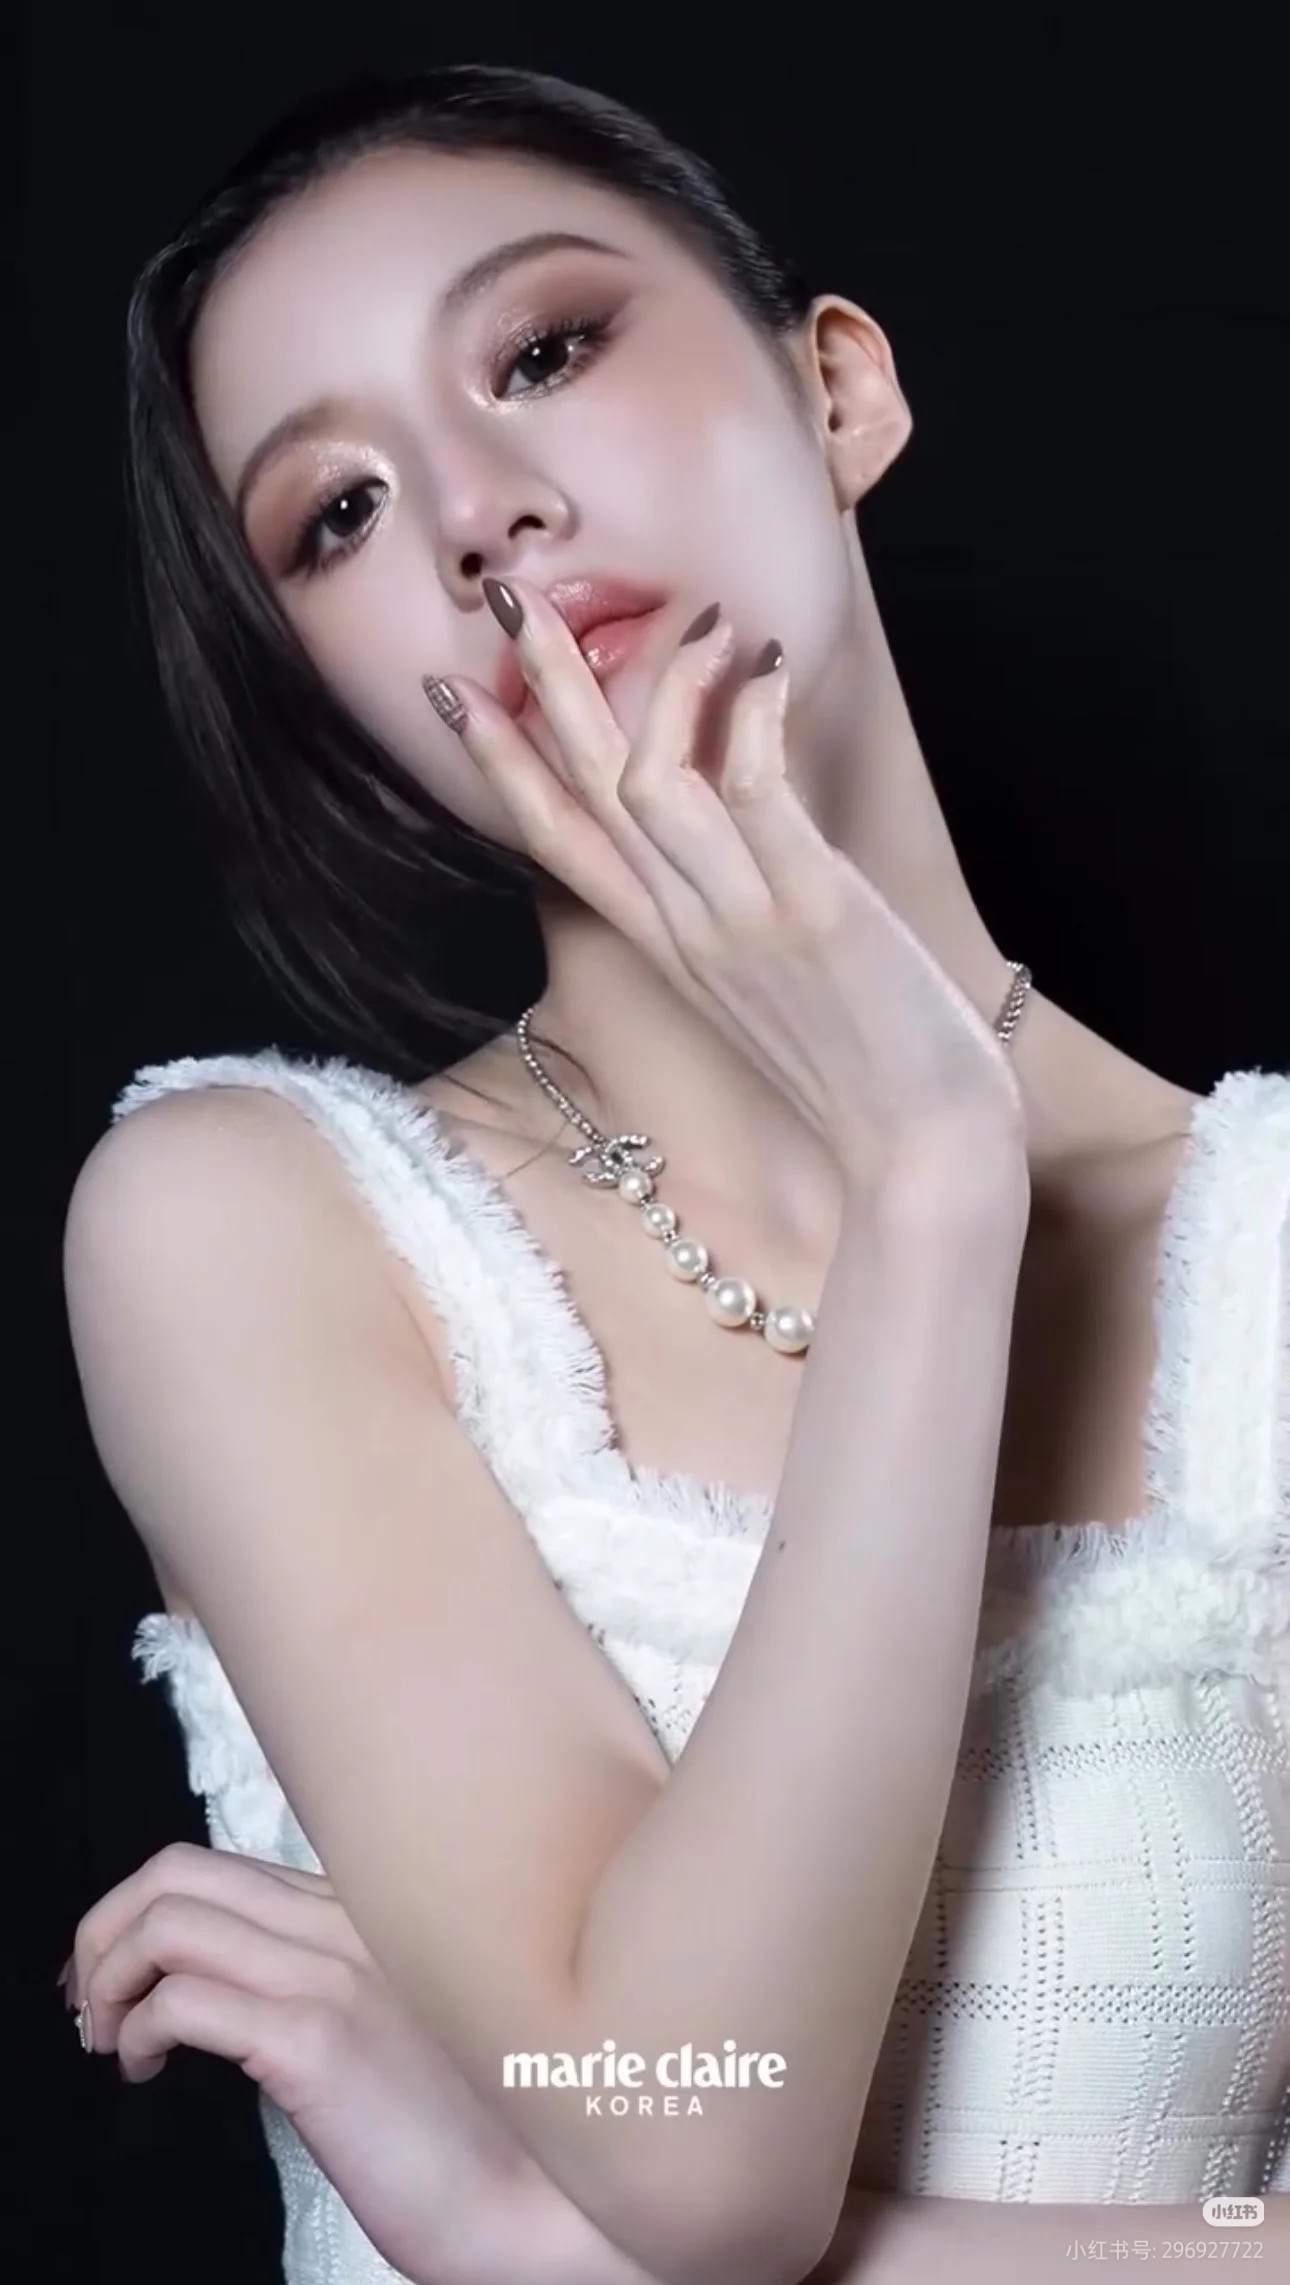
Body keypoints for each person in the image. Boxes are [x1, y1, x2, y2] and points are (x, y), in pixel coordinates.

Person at [60, 59, 1290, 2285]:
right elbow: (702, 2136)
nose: (474, 516)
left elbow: (675, 2213)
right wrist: (931, 1181)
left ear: (838, 391)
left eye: (544, 350)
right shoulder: (257, 1227)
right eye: (338, 513)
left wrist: (541, 2247)